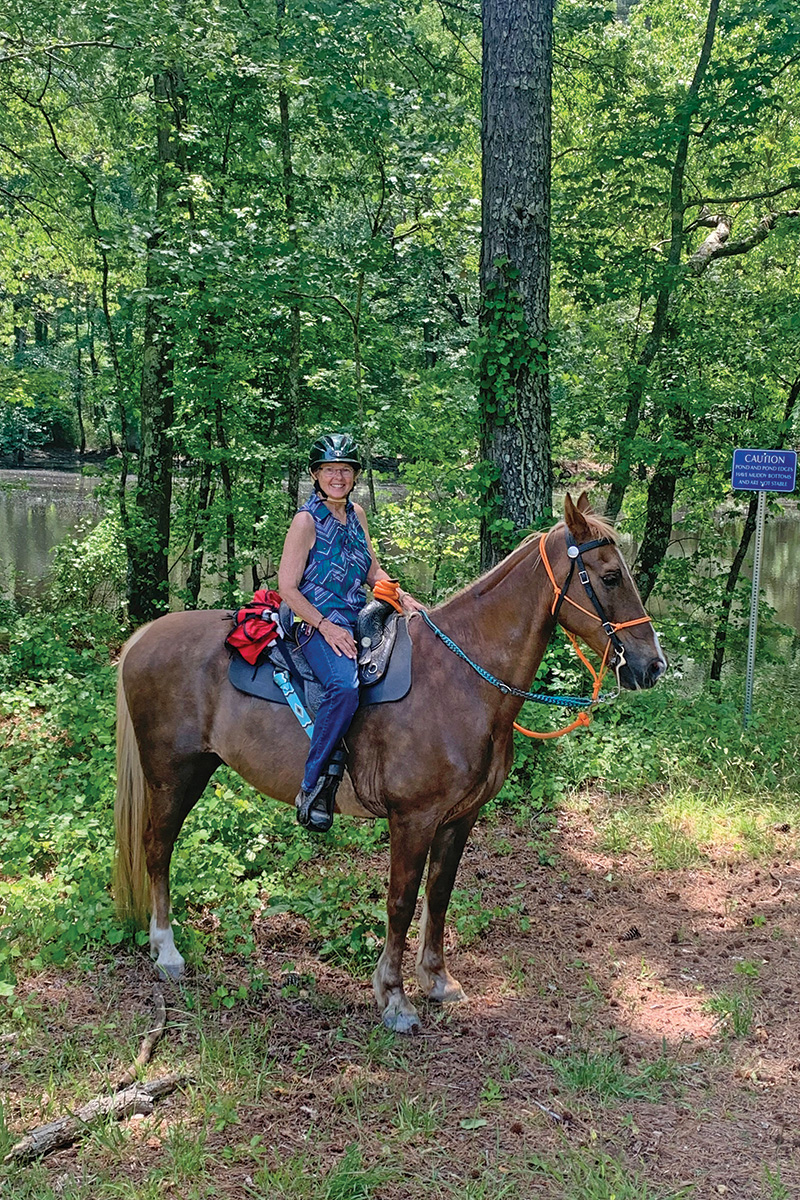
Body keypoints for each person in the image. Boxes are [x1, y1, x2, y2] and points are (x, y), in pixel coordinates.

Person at [278, 433, 424, 831]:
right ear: (316, 475)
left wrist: (400, 595)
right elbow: (287, 588)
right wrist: (324, 626)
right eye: (329, 470)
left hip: (355, 614)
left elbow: (371, 570)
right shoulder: (305, 521)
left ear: (354, 475)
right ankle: (312, 785)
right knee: (343, 686)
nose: (337, 477)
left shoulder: (356, 514)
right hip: (313, 621)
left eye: (345, 469)